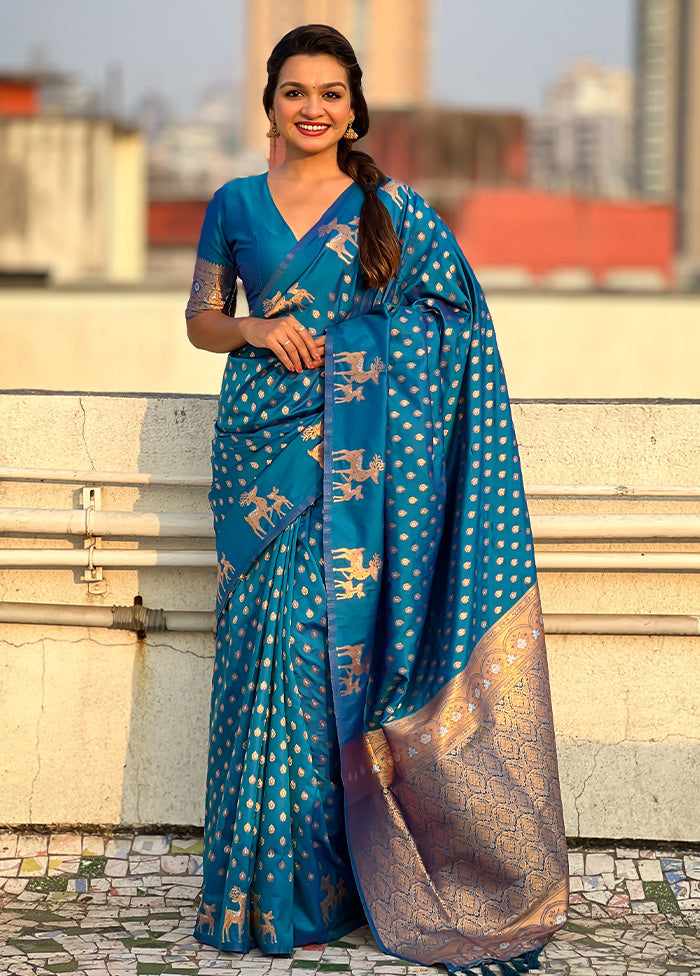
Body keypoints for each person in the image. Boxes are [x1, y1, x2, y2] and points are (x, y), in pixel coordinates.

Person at [186, 23, 568, 975]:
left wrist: (360, 361)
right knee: (253, 660)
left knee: (322, 672)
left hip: (350, 473)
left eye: (328, 93)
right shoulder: (233, 203)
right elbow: (199, 320)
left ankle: (330, 888)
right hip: (257, 456)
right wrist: (254, 329)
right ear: (268, 105)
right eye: (292, 93)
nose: (311, 108)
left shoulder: (390, 209)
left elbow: (459, 325)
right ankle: (244, 894)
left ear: (354, 108)